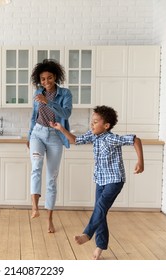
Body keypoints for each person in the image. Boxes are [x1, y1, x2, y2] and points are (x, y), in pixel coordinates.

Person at [50, 105, 144, 260]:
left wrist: (141, 162)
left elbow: (135, 139)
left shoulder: (112, 138)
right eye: (91, 121)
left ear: (106, 126)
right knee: (100, 212)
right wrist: (61, 129)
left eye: (95, 122)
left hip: (114, 180)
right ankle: (100, 246)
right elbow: (75, 140)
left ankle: (87, 234)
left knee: (99, 208)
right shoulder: (94, 136)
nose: (91, 125)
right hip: (101, 180)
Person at [28, 59, 72, 233]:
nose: (46, 82)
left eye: (49, 78)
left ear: (56, 77)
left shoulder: (65, 93)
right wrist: (29, 135)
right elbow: (34, 116)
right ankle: (34, 207)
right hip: (37, 134)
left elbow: (66, 113)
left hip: (55, 136)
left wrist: (48, 101)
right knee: (36, 167)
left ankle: (49, 220)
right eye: (43, 79)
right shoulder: (38, 92)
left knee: (52, 178)